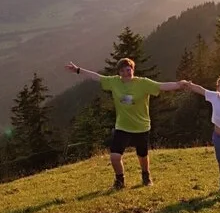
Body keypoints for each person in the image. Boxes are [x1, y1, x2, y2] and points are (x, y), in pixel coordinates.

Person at [64, 58, 182, 189]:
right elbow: (96, 77)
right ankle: (120, 181)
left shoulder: (143, 83)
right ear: (119, 73)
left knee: (142, 155)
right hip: (123, 126)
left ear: (132, 69)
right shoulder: (114, 82)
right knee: (115, 156)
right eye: (122, 70)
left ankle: (146, 175)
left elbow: (162, 86)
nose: (126, 72)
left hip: (141, 126)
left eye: (128, 69)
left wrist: (180, 84)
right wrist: (78, 70)